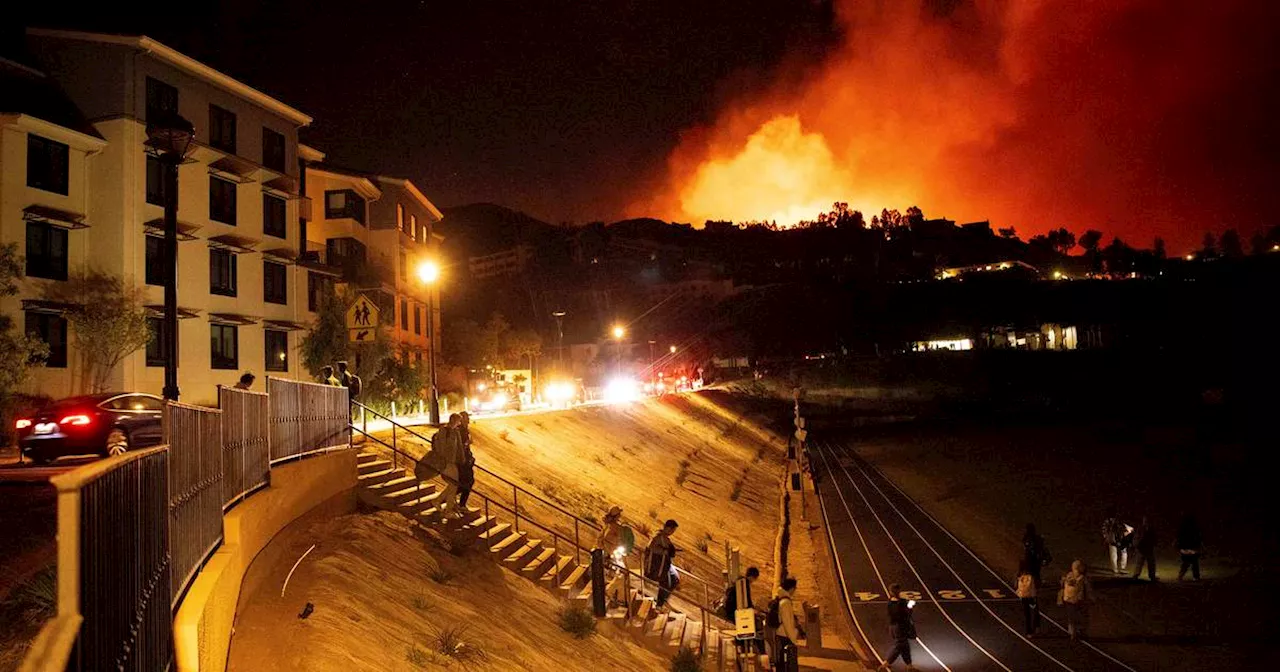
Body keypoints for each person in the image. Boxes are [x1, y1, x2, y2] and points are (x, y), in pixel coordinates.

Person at [415, 414, 462, 515]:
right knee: (454, 484)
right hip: (445, 462)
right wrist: (444, 461)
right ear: (453, 420)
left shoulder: (454, 431)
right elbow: (441, 448)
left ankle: (440, 502)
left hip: (451, 461)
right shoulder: (444, 431)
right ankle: (446, 509)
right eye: (458, 421)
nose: (459, 423)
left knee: (454, 485)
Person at [879, 583, 916, 671]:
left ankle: (909, 665)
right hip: (901, 627)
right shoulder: (902, 602)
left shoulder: (890, 602)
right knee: (899, 645)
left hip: (893, 627)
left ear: (890, 592)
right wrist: (910, 606)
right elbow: (907, 614)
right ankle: (886, 663)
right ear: (899, 591)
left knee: (905, 646)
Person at [645, 519, 679, 608]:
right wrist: (665, 551)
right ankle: (660, 604)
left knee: (674, 579)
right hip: (658, 565)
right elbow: (651, 547)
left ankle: (662, 601)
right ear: (667, 528)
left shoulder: (664, 537)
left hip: (664, 564)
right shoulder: (658, 537)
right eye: (672, 530)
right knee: (667, 582)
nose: (672, 532)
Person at [772, 577, 804, 672]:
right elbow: (787, 624)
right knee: (786, 663)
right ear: (791, 588)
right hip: (785, 636)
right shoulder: (785, 603)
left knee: (782, 662)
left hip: (782, 635)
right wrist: (793, 639)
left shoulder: (782, 599)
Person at [1059, 559, 1092, 641]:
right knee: (1082, 616)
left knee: (1071, 617)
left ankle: (1072, 633)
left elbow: (1062, 586)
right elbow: (1088, 589)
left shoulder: (1068, 576)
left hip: (1068, 599)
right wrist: (1091, 598)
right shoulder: (1082, 578)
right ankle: (1081, 631)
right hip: (1079, 599)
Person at [456, 411, 476, 510]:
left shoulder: (465, 430)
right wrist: (467, 443)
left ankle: (461, 504)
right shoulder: (460, 431)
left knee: (468, 482)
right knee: (466, 482)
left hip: (466, 460)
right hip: (462, 461)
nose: (468, 420)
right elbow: (460, 447)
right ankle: (446, 499)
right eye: (467, 418)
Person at [1015, 561, 1040, 637]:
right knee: (1033, 613)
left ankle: (1031, 630)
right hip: (1031, 597)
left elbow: (1016, 586)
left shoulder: (1021, 577)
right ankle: (1033, 629)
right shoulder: (1029, 577)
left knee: (1028, 614)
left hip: (1024, 597)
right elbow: (1033, 586)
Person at [1102, 507, 1129, 575]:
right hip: (1115, 540)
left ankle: (1118, 568)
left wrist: (1106, 538)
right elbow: (1105, 530)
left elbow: (1104, 530)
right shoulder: (1111, 521)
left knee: (1118, 554)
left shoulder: (1113, 521)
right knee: (1117, 554)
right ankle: (1118, 568)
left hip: (1117, 539)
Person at [1175, 513, 1202, 581]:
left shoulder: (1183, 528)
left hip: (1187, 548)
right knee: (1193, 563)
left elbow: (1179, 538)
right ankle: (1195, 577)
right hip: (1190, 548)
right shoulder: (1194, 528)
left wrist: (1180, 547)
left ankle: (1182, 576)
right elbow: (1198, 538)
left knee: (1187, 563)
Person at [1130, 516, 1158, 581]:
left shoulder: (1151, 529)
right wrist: (1137, 545)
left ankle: (1152, 576)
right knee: (1139, 563)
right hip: (1142, 548)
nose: (1145, 522)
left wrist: (1154, 544)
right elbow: (1137, 537)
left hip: (1149, 548)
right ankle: (1136, 575)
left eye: (1146, 521)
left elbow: (1154, 538)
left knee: (1151, 563)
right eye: (1145, 521)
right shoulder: (1141, 529)